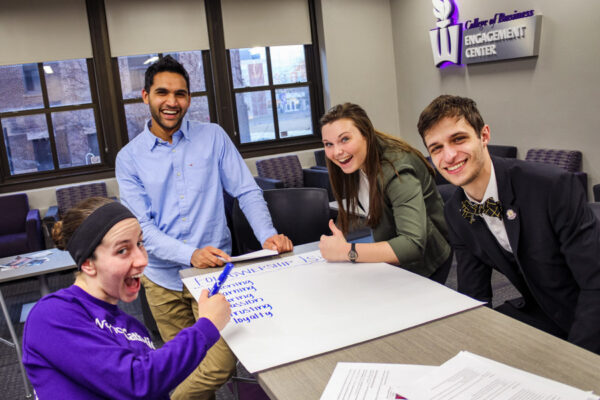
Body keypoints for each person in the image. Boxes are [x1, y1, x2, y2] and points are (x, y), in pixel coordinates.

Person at [115, 55, 293, 399]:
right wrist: (189, 254)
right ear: (145, 96)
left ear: (189, 99)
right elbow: (143, 231)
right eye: (162, 93)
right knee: (183, 367)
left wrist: (267, 235)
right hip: (162, 280)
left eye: (180, 94)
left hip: (214, 277)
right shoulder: (129, 158)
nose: (172, 102)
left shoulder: (213, 137)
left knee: (219, 364)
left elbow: (246, 190)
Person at [417, 94, 600, 354]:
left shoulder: (550, 187)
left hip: (590, 316)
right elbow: (474, 294)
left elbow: (595, 284)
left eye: (458, 139)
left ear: (484, 136)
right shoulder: (457, 211)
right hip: (543, 311)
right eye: (436, 148)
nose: (449, 155)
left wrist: (579, 360)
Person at [22, 197, 231, 399]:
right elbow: (136, 382)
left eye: (140, 243)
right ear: (88, 263)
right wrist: (206, 326)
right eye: (122, 250)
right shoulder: (52, 315)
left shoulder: (132, 327)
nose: (141, 260)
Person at [318, 103, 452, 283]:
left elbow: (412, 244)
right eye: (328, 144)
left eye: (344, 139)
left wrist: (347, 251)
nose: (337, 152)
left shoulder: (397, 167)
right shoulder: (355, 162)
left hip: (426, 261)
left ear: (366, 134)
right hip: (395, 259)